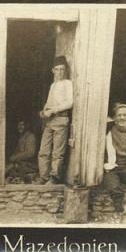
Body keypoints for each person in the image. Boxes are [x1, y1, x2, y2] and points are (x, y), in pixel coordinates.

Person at [38, 56, 74, 184]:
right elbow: (48, 102)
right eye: (57, 69)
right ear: (53, 70)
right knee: (44, 150)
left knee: (57, 152)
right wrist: (45, 110)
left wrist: (53, 110)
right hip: (50, 121)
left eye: (62, 69)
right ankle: (44, 177)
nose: (60, 72)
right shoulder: (53, 85)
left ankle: (54, 177)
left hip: (61, 119)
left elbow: (70, 103)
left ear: (65, 70)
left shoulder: (68, 83)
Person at [103, 103, 126, 213]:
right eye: (119, 115)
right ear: (114, 118)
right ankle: (119, 211)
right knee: (112, 185)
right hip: (113, 168)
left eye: (125, 115)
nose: (122, 117)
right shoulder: (107, 131)